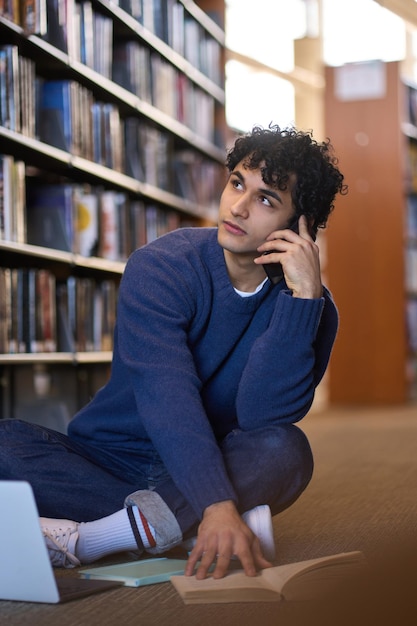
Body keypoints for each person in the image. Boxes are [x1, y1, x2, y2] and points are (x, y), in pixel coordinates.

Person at [0, 125, 346, 580]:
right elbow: (168, 397)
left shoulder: (310, 307)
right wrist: (218, 504)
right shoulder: (162, 265)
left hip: (218, 460)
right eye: (237, 183)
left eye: (266, 200)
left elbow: (263, 415)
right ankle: (189, 526)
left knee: (286, 450)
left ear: (299, 226)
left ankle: (94, 539)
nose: (237, 206)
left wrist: (300, 304)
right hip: (108, 460)